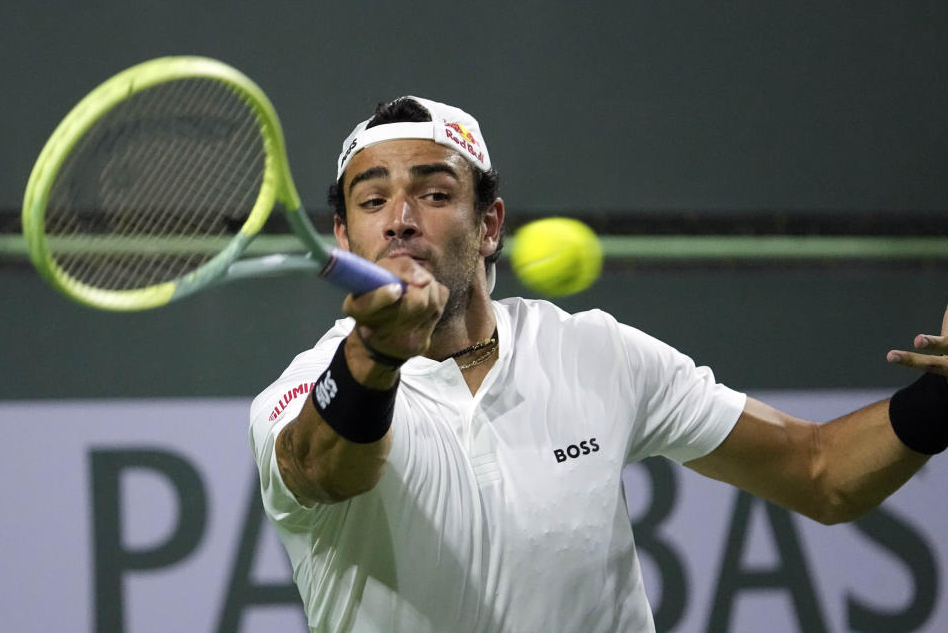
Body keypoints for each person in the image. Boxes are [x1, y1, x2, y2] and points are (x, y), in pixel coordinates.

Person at [248, 96, 947, 632]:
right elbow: (320, 468)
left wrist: (940, 401)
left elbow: (820, 472)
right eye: (373, 201)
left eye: (434, 193)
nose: (400, 218)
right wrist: (376, 354)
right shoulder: (310, 389)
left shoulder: (594, 352)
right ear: (342, 237)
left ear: (488, 225)